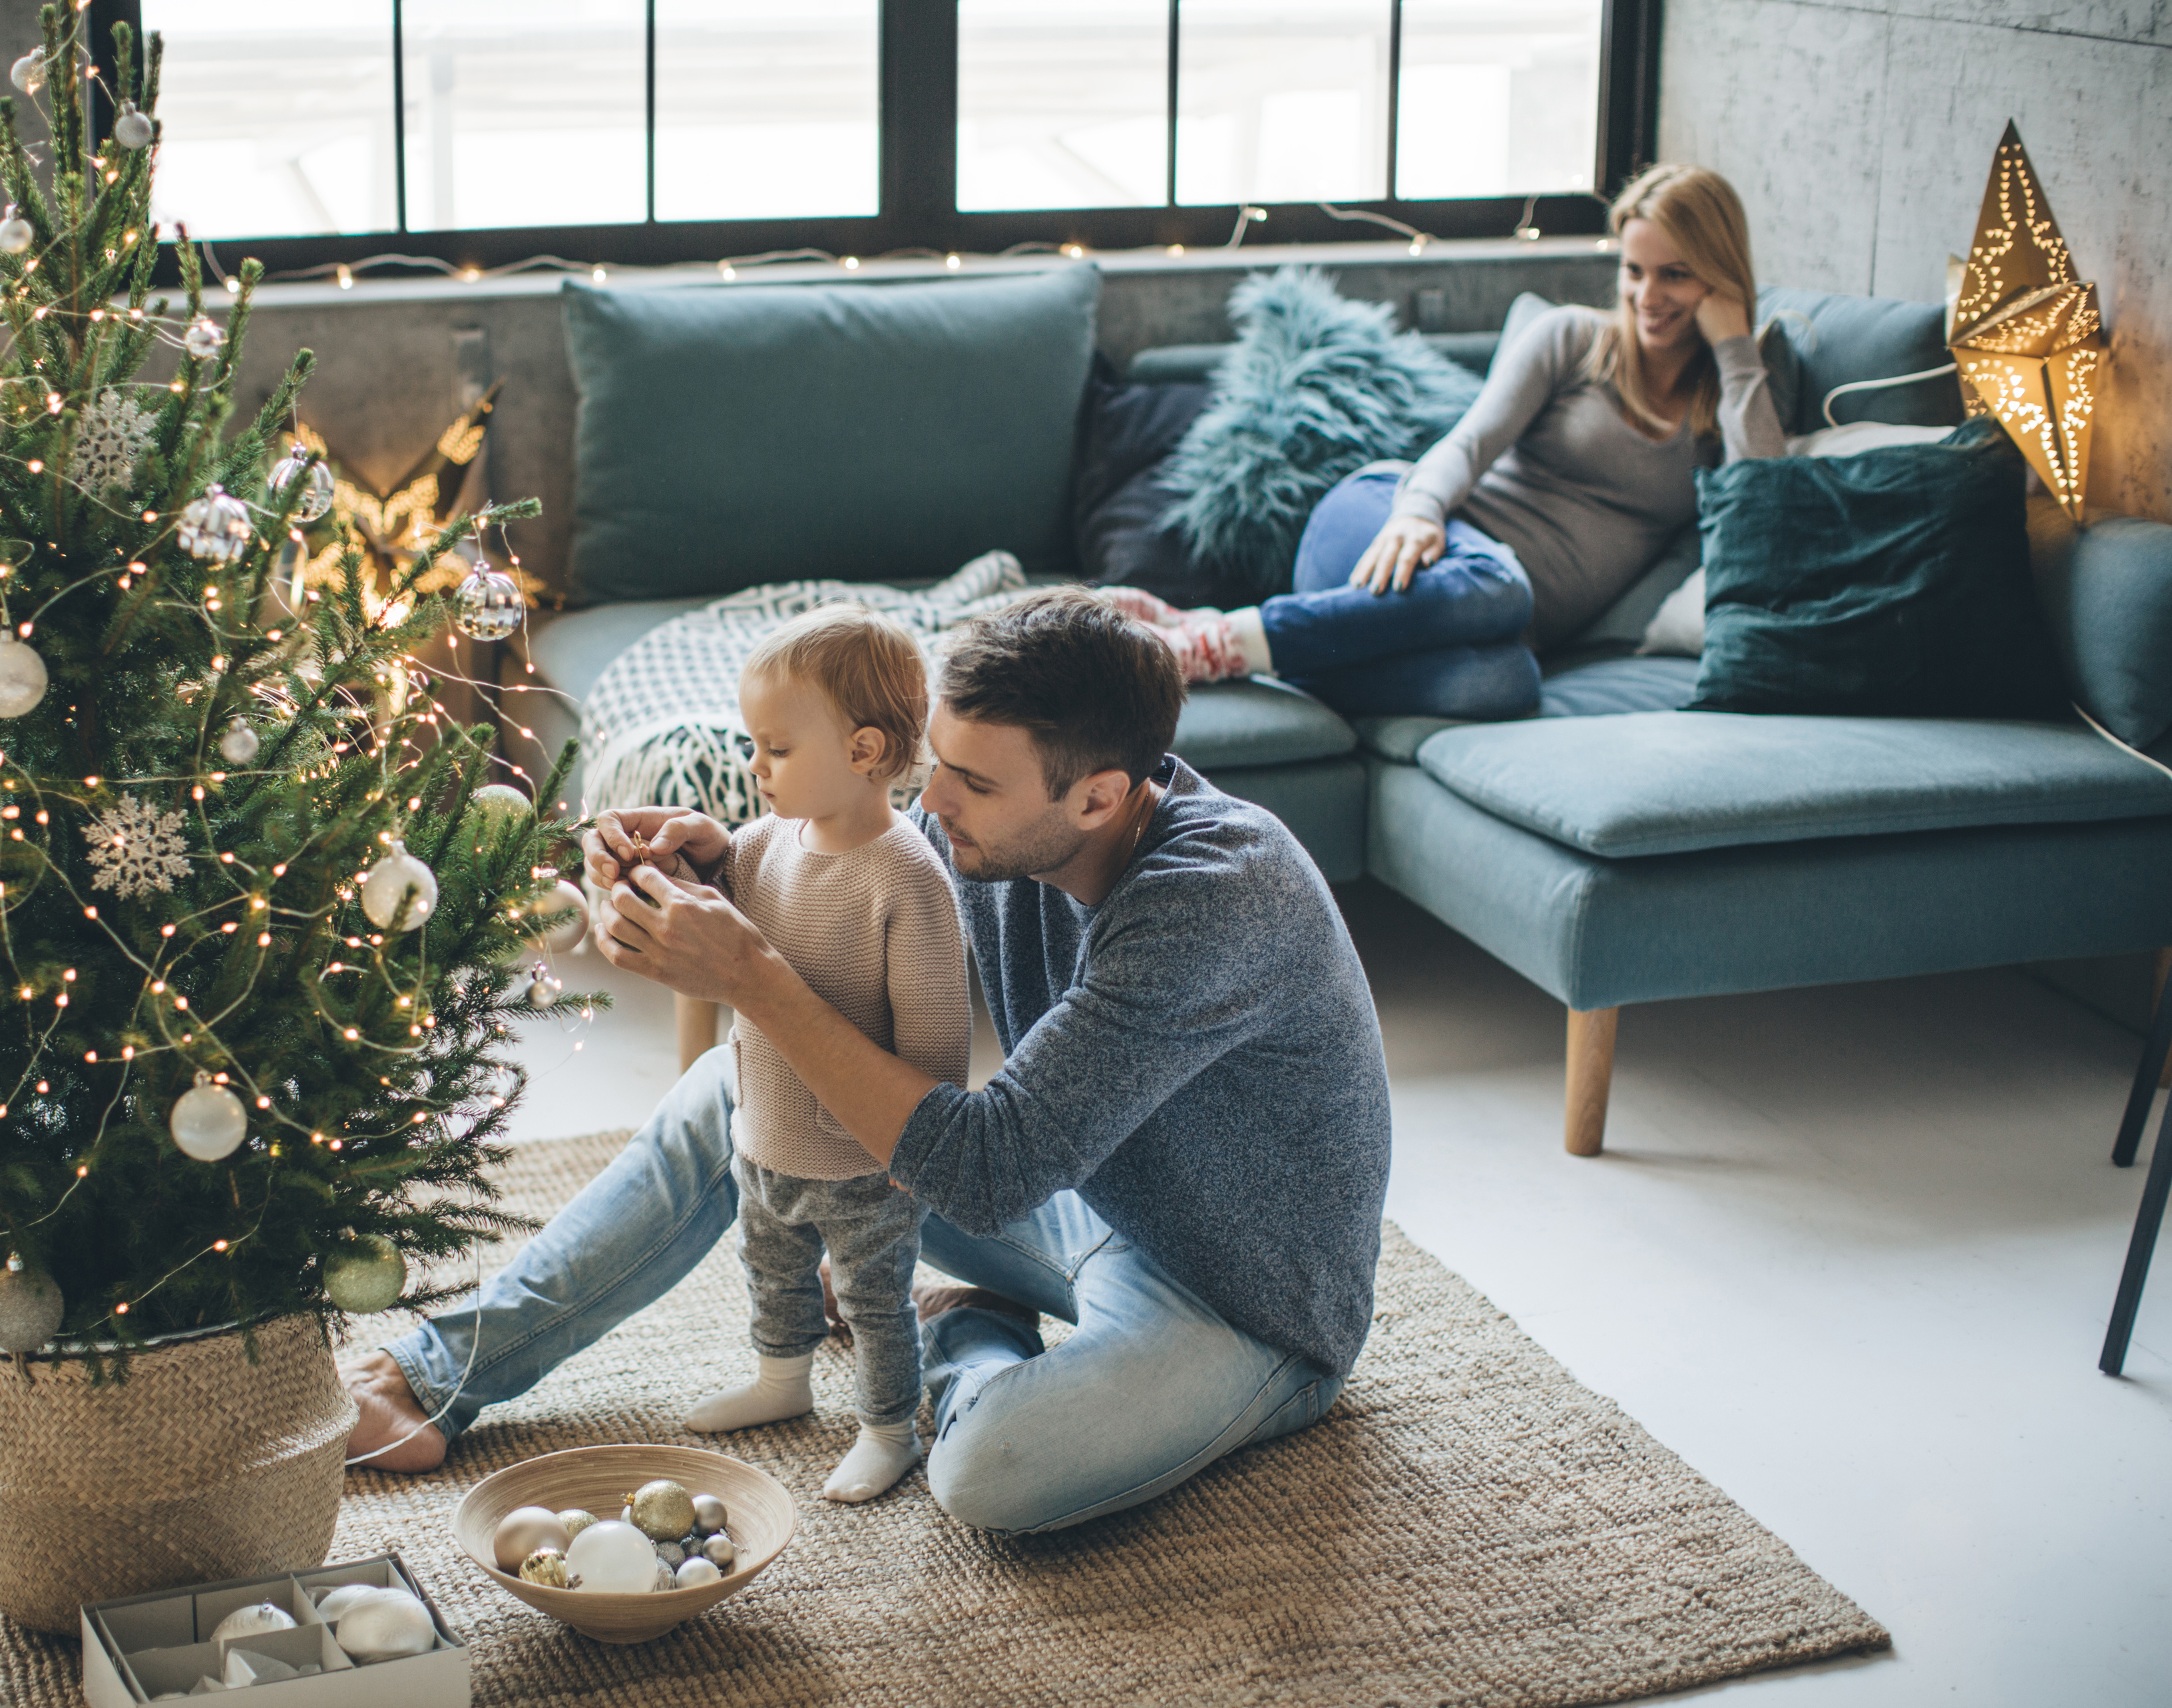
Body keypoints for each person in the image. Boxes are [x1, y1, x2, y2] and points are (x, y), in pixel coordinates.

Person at [341, 589, 1392, 1537]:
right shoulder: (998, 825)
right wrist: (724, 862)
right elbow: (867, 875)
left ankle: (966, 1331)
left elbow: (987, 1167)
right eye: (934, 759)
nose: (933, 799)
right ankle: (433, 1376)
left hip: (1238, 1304)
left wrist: (749, 975)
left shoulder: (1217, 896)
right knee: (733, 1087)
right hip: (1085, 1198)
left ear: (1099, 798)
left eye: (970, 782)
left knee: (988, 1473)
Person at [1118, 162, 1787, 720]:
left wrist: (1732, 346)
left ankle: (1230, 634)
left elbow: (1763, 507)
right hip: (1389, 528)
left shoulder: (1740, 389)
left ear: (1719, 275)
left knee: (1508, 686)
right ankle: (1201, 647)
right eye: (1633, 271)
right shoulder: (1573, 338)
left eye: (1674, 274)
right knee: (1499, 583)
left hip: (1476, 622)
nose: (1646, 296)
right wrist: (1419, 511)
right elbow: (1468, 444)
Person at [680, 604, 969, 1505]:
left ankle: (889, 1427)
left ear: (862, 751)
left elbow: (935, 1039)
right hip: (763, 1135)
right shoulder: (761, 844)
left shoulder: (906, 874)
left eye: (774, 749)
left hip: (861, 1160)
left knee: (876, 1298)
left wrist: (911, 1146)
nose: (753, 768)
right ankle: (782, 1375)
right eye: (752, 745)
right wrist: (661, 861)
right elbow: (707, 924)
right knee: (769, 1263)